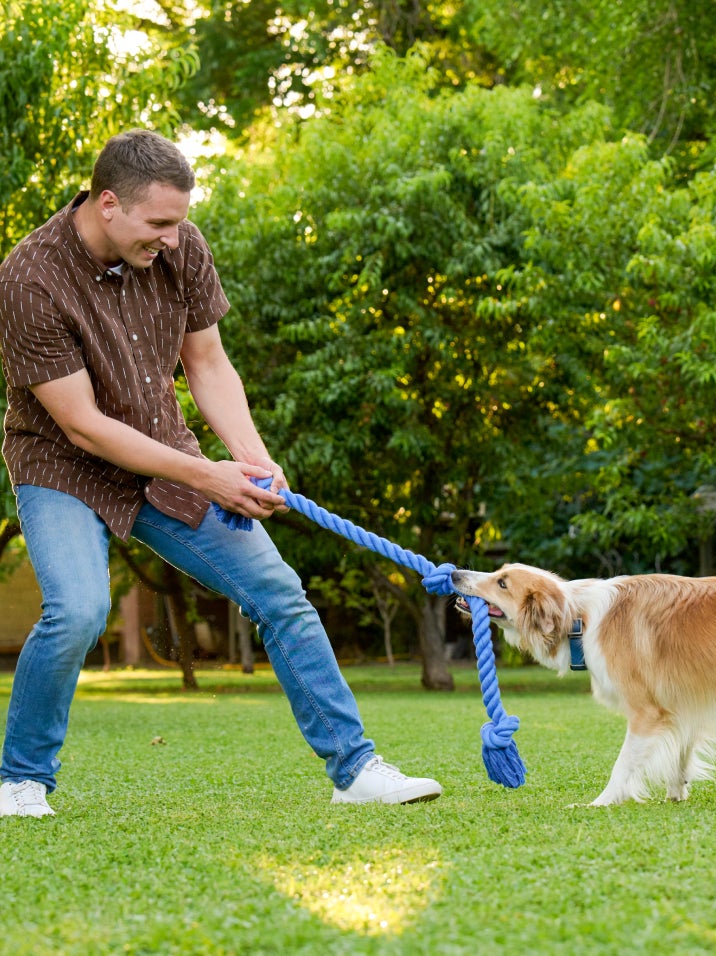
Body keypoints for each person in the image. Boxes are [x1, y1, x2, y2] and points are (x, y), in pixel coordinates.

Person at [0, 129, 442, 817]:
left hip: (163, 456)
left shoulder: (182, 248)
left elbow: (207, 365)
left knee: (280, 593)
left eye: (180, 222)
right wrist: (209, 476)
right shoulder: (28, 278)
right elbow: (83, 424)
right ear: (107, 203)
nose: (174, 240)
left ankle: (355, 772)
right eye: (159, 224)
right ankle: (21, 780)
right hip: (62, 466)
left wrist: (252, 457)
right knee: (79, 610)